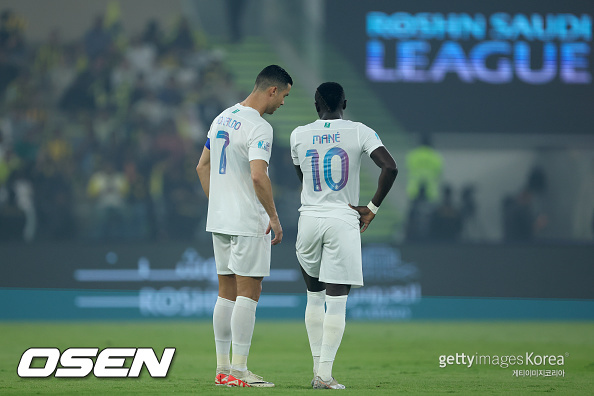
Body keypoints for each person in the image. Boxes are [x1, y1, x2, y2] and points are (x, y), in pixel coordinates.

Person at [290, 82, 397, 389]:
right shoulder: (359, 131)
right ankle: (324, 374)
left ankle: (317, 372)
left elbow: (304, 179)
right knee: (336, 303)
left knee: (314, 297)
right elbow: (390, 167)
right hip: (343, 219)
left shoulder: (298, 134)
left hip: (308, 219)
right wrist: (373, 208)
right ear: (345, 104)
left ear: (315, 104)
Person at [196, 64, 292, 388]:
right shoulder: (259, 127)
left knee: (225, 293)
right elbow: (257, 175)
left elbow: (202, 166)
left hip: (219, 219)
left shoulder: (221, 117)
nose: (283, 104)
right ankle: (239, 370)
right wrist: (274, 219)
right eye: (284, 96)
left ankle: (223, 369)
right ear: (272, 90)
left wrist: (219, 203)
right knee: (249, 292)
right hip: (249, 221)